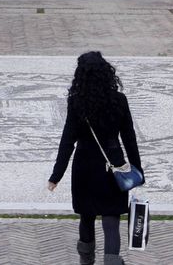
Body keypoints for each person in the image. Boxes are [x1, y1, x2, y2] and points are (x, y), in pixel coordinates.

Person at [48, 51, 142, 265]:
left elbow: (67, 142)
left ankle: (86, 262)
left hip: (85, 168)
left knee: (86, 217)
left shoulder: (76, 103)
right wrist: (138, 170)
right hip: (114, 168)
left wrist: (56, 176)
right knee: (111, 221)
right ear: (106, 74)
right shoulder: (119, 100)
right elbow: (129, 138)